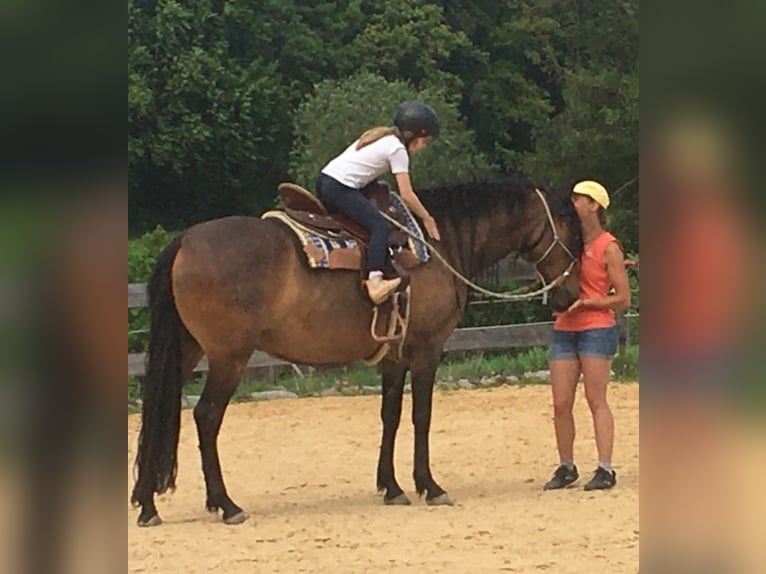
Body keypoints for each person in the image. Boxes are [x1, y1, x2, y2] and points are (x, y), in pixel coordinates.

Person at [543, 180, 631, 491]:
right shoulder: (569, 243)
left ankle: (605, 467)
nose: (573, 204)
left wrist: (588, 302)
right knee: (561, 403)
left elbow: (623, 298)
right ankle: (566, 465)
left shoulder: (609, 247)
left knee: (596, 399)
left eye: (579, 199)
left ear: (594, 205)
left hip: (595, 327)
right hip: (565, 328)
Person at [315, 101, 441, 304]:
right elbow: (407, 194)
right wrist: (427, 218)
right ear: (413, 136)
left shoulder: (382, 137)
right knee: (379, 226)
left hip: (325, 180)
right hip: (340, 187)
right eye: (424, 142)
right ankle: (375, 281)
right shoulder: (398, 150)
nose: (422, 147)